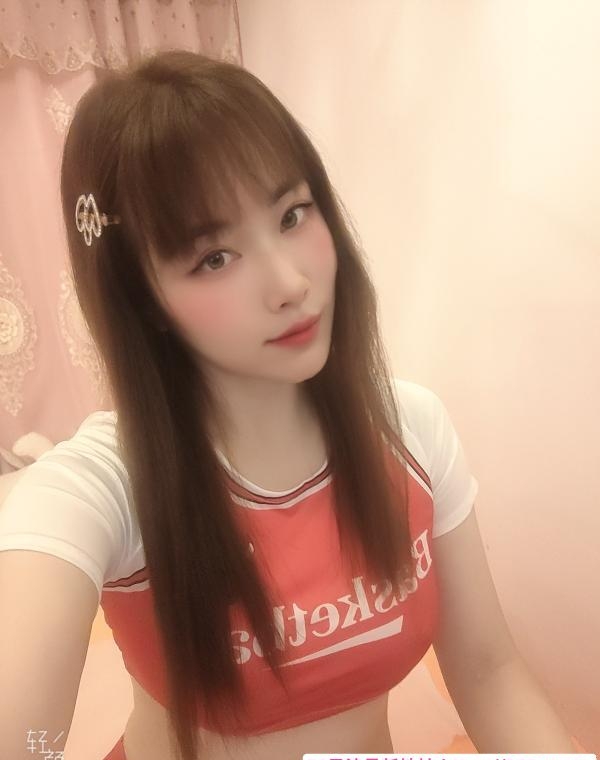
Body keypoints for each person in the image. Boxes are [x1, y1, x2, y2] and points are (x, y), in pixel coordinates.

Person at [0, 50, 575, 760]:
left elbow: (489, 672)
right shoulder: (108, 484)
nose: (290, 282)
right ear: (142, 299)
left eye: (292, 214)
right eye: (214, 257)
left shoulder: (411, 429)